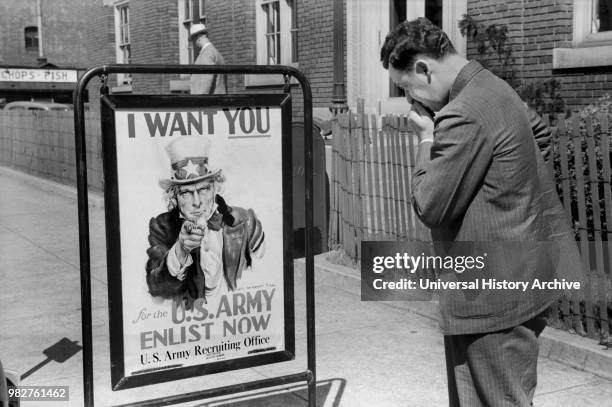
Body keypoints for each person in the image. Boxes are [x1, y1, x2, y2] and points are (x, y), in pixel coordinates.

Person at [380, 17, 583, 406]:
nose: (411, 101)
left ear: (423, 68)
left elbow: (430, 206)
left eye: (408, 87)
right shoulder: (493, 85)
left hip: (492, 296)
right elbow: (538, 132)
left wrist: (426, 138)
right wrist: (504, 193)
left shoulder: (463, 113)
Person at [146, 136, 265, 309]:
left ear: (216, 188)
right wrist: (180, 250)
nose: (197, 202)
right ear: (174, 198)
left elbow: (265, 276)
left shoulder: (246, 221)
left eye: (203, 189)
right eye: (186, 193)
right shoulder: (161, 227)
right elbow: (156, 287)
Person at [189, 23, 227, 95]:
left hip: (208, 101)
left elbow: (205, 80)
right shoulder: (216, 53)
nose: (194, 43)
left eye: (193, 39)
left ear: (198, 37)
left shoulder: (206, 54)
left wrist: (198, 100)